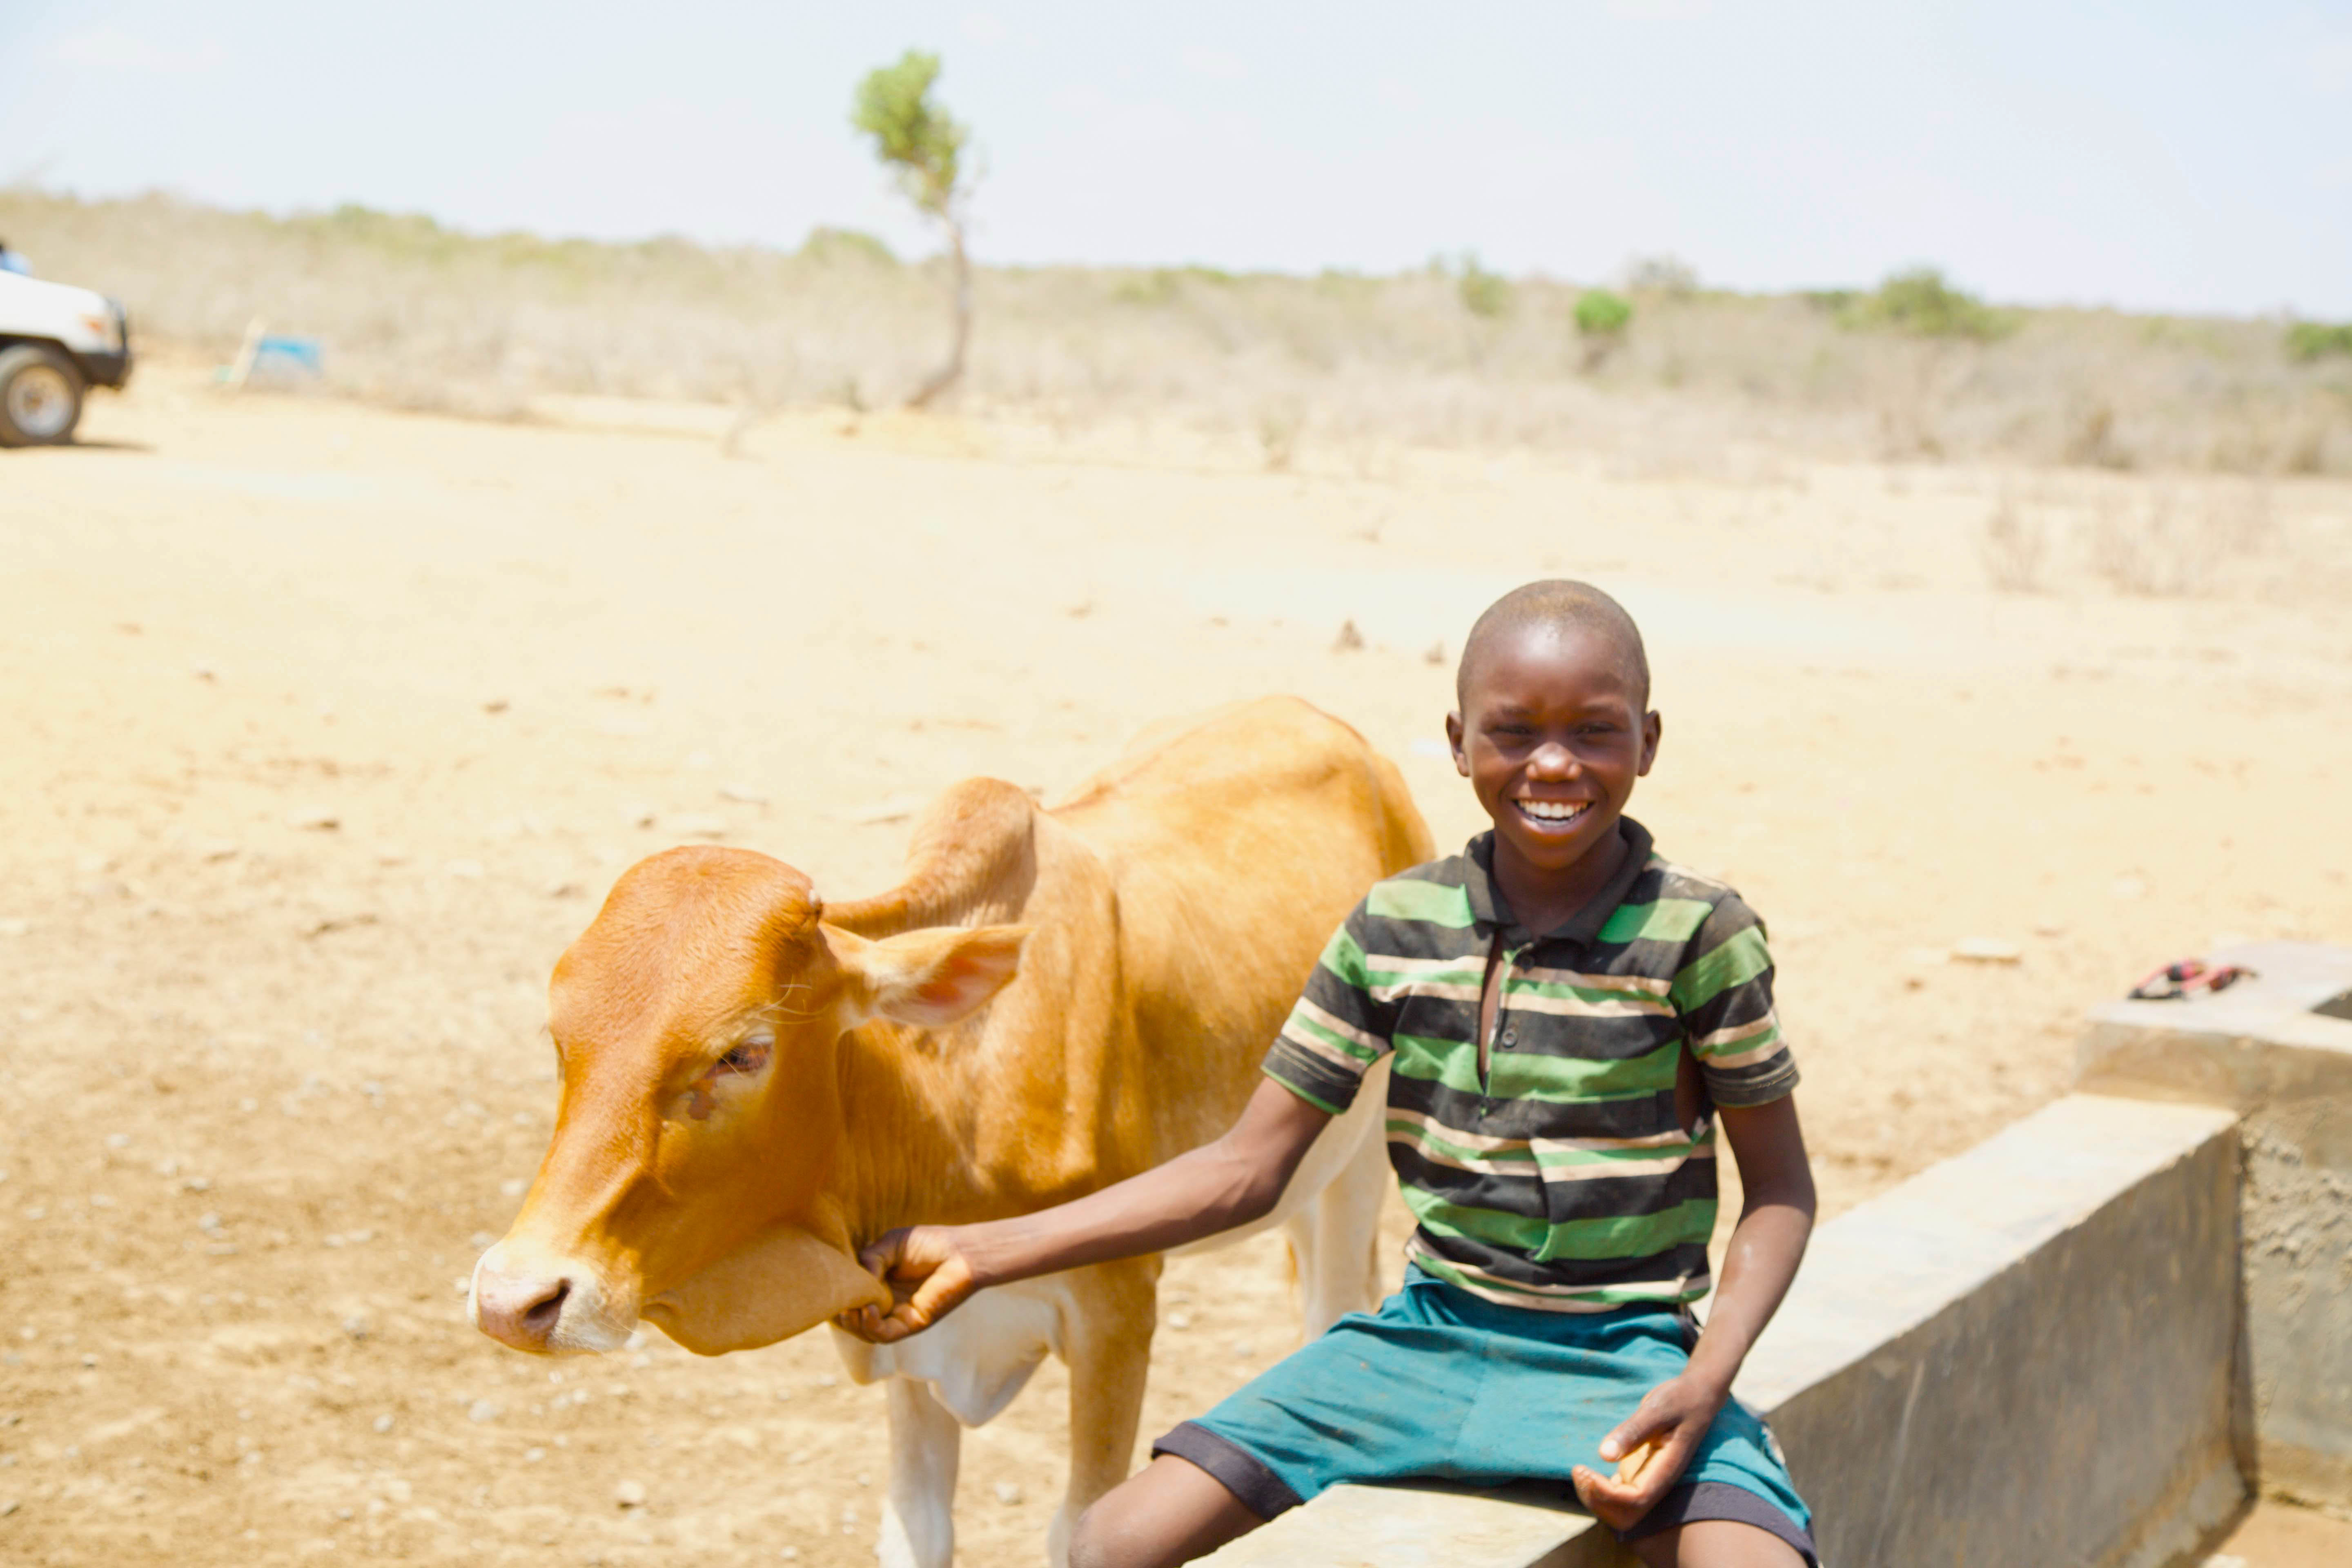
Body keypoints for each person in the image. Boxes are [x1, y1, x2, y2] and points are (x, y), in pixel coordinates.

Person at [840, 581, 1819, 1568]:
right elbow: (1245, 1169)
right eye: (1513, 732)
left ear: (1648, 742)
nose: (1554, 764)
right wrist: (986, 1249)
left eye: (1594, 732)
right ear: (1457, 740)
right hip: (1421, 1349)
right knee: (1111, 1543)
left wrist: (1705, 1381)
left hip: (1629, 1361)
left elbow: (1780, 1192)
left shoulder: (1701, 936)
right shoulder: (1394, 927)